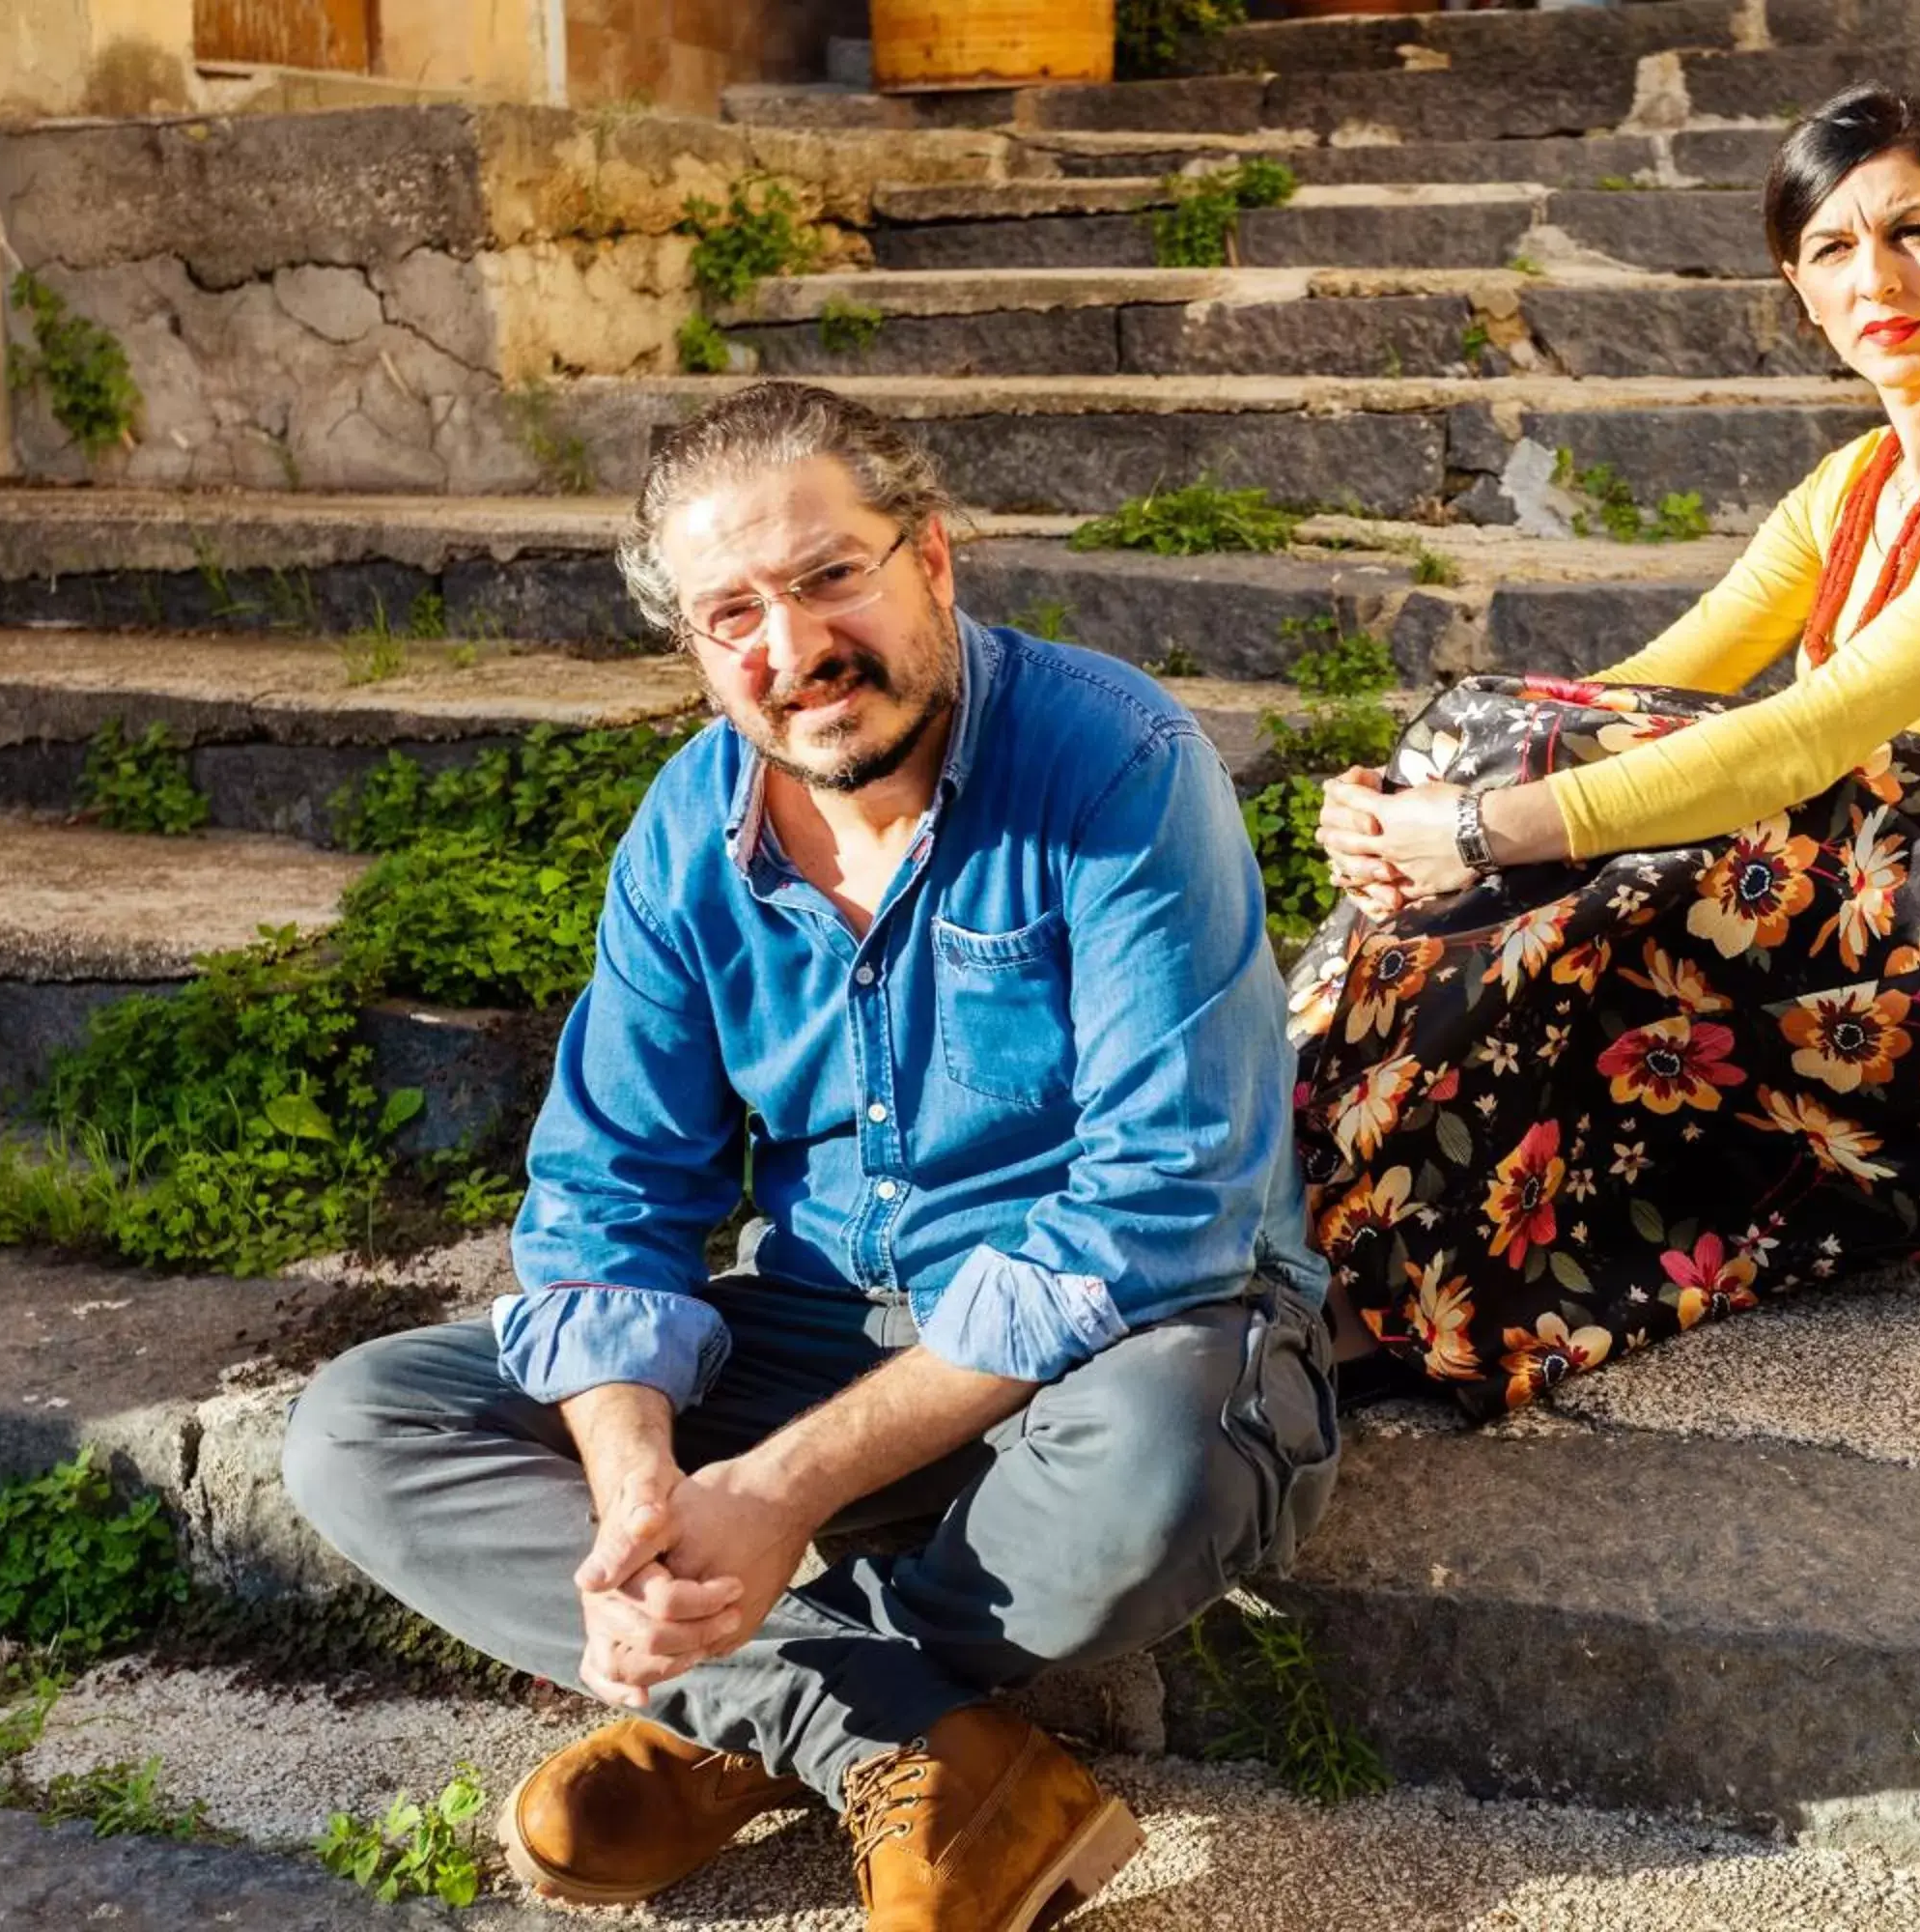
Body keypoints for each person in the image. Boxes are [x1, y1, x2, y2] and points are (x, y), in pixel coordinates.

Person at [282, 382, 1337, 1931]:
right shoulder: (685, 835)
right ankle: (870, 1734)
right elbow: (608, 1190)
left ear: (933, 561)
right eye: (734, 615)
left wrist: (775, 1495)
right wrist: (644, 1483)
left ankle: (748, 1707)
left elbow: (1159, 1209)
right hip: (831, 1326)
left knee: (1167, 1468)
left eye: (831, 575)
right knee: (361, 1427)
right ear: (694, 651)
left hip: (1128, 1347)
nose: (796, 649)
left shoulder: (1118, 766)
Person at [1302, 85, 1920, 1416]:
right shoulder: (1849, 487)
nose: (1876, 277)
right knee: (1511, 733)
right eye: (1832, 250)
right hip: (1874, 887)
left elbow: (1825, 725)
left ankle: (1330, 1251)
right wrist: (1408, 794)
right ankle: (1328, 1241)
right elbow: (1641, 689)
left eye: (1913, 233)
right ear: (1799, 286)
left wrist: (1474, 829)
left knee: (1572, 801)